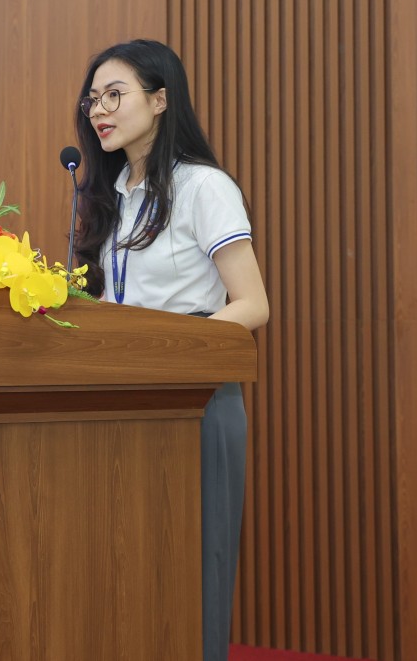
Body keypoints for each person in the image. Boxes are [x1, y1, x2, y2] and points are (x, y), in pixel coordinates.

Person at [72, 39, 269, 661]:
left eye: (115, 95)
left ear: (160, 101)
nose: (99, 110)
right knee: (128, 565)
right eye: (93, 98)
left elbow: (253, 304)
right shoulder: (111, 195)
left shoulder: (202, 186)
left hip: (197, 400)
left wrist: (173, 351)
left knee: (193, 566)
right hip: (120, 400)